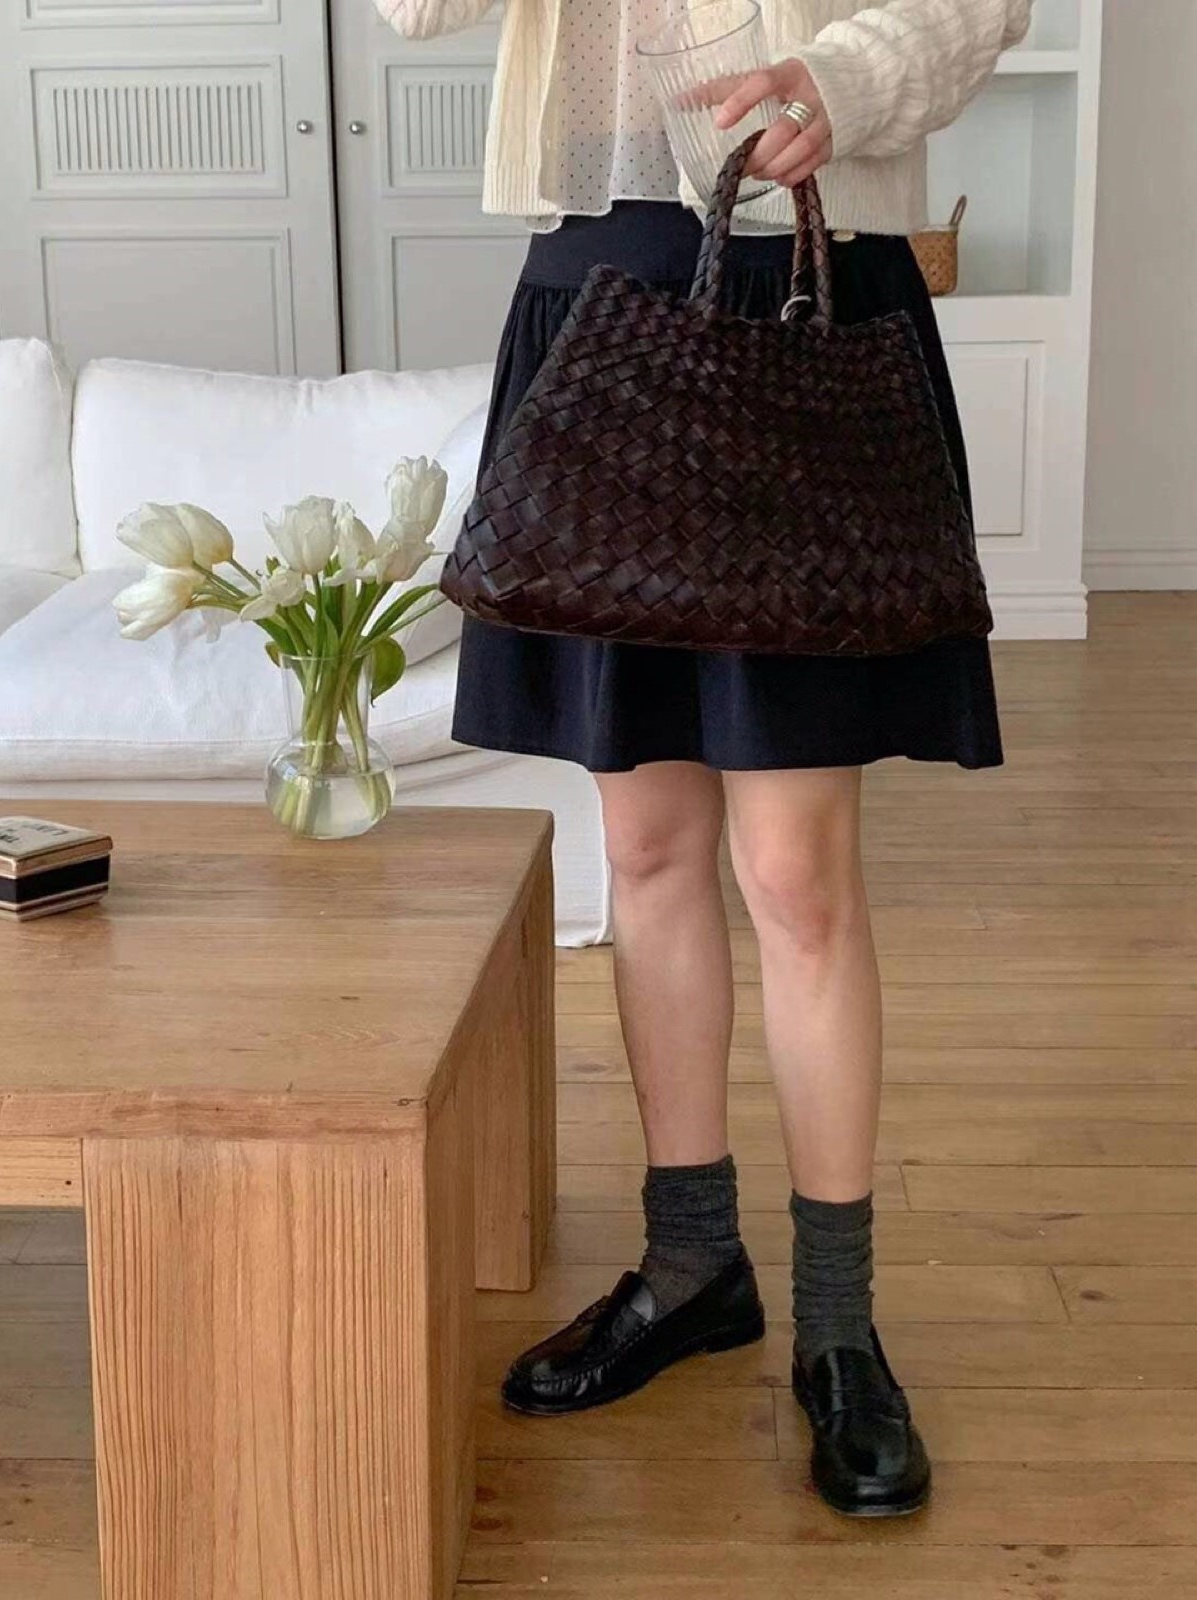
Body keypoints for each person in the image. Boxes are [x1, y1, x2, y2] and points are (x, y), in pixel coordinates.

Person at [377, 0, 1031, 1518]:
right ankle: (690, 1267)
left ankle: (839, 1324)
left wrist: (848, 76)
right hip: (600, 286)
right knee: (650, 850)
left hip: (812, 291)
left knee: (796, 875)